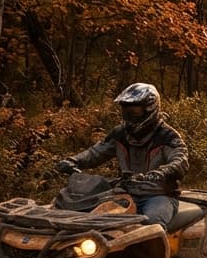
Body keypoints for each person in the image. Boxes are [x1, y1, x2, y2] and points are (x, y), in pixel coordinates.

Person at [56, 83, 188, 227]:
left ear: (150, 108)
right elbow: (96, 152)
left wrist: (164, 171)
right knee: (89, 217)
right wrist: (73, 161)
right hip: (125, 192)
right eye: (126, 110)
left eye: (134, 111)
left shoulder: (168, 136)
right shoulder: (120, 133)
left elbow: (180, 159)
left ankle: (158, 249)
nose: (130, 115)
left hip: (159, 195)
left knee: (152, 222)